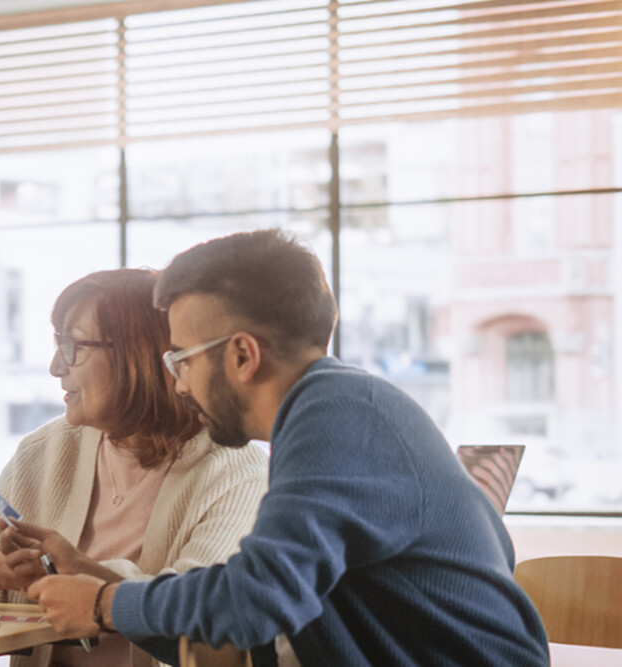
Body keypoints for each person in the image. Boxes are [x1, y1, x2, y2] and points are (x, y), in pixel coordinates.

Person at [28, 230, 551, 665]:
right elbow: (250, 615)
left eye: (182, 359)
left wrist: (104, 604)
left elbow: (257, 601)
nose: (181, 385)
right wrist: (96, 581)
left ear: (241, 356)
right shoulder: (339, 409)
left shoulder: (339, 416)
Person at [0, 269, 266, 667]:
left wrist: (28, 572)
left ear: (137, 355)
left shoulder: (234, 471)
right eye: (58, 344)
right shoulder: (48, 450)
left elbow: (198, 610)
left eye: (73, 345)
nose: (56, 366)